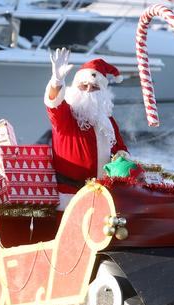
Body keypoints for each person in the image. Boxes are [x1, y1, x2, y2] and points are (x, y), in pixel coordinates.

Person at [44, 48, 130, 195]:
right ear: (75, 88)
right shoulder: (66, 115)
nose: (89, 90)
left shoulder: (107, 120)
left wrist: (121, 158)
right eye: (84, 86)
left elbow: (120, 149)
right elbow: (53, 103)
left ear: (103, 92)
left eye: (95, 87)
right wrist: (56, 81)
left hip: (101, 193)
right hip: (69, 194)